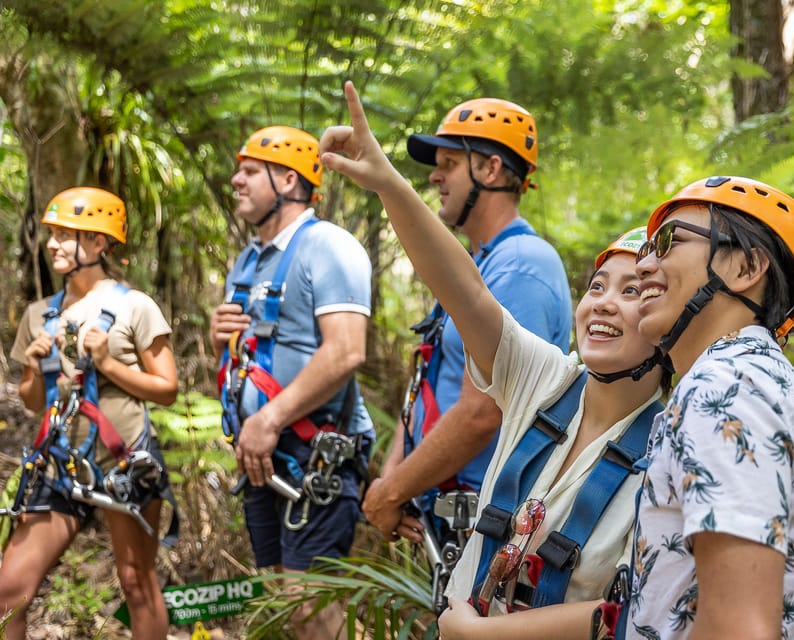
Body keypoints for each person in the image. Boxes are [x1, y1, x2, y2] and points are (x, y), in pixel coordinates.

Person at [318, 81, 667, 640]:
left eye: (633, 292)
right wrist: (387, 183)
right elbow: (465, 291)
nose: (603, 300)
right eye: (598, 285)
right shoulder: (547, 383)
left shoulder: (674, 449)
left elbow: (641, 612)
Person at [619, 176, 794, 639]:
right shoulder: (767, 383)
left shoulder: (726, 389)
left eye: (666, 242)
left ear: (746, 267)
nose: (642, 265)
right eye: (645, 249)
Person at [361, 94, 573, 549]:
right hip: (449, 515)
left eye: (450, 162)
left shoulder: (520, 265)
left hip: (488, 523)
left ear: (491, 170)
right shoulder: (485, 263)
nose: (435, 175)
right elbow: (431, 375)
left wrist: (392, 490)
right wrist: (396, 483)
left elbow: (483, 410)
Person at [210, 125, 375, 639]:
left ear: (289, 180)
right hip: (264, 454)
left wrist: (270, 417)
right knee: (287, 604)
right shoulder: (250, 259)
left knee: (311, 610)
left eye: (250, 171)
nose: (236, 180)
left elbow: (347, 350)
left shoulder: (327, 244)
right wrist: (220, 339)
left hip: (316, 455)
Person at [0, 187, 178, 640]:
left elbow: (167, 389)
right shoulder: (40, 315)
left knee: (138, 585)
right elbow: (33, 401)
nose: (53, 244)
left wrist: (109, 364)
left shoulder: (134, 306)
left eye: (66, 235)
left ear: (99, 244)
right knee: (8, 592)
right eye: (52, 234)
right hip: (60, 465)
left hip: (122, 463)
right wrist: (35, 370)